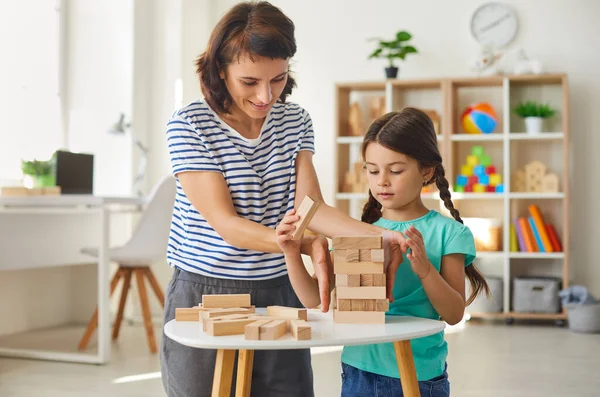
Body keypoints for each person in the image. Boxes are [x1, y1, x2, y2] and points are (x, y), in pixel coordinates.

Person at [160, 2, 409, 397]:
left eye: (277, 79)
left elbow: (311, 208)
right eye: (250, 82)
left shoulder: (295, 121)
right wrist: (295, 242)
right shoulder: (190, 124)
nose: (265, 96)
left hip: (281, 287)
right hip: (206, 288)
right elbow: (225, 224)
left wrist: (376, 236)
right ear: (220, 69)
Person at [276, 108, 490, 397]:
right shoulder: (360, 231)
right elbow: (315, 299)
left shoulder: (449, 233)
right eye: (373, 170)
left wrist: (425, 270)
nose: (382, 181)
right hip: (358, 369)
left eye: (396, 170)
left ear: (426, 171)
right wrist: (290, 252)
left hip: (418, 374)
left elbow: (453, 314)